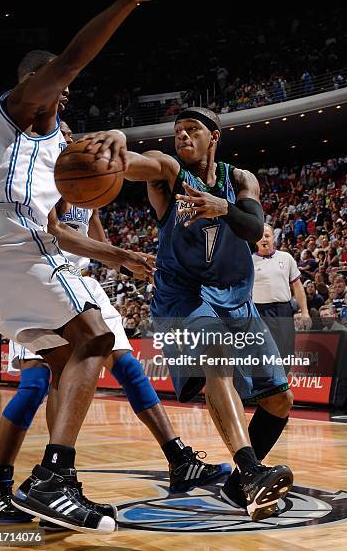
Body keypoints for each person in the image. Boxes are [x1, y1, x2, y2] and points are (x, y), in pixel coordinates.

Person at [0, 0, 180, 534]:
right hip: (16, 239)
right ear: (31, 84)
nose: (62, 97)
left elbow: (121, 170)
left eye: (63, 96)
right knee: (96, 335)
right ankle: (54, 478)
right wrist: (130, 0)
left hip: (7, 258)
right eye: (54, 89)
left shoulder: (62, 145)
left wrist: (159, 166)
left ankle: (32, 488)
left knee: (70, 362)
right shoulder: (14, 112)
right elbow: (70, 61)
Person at [0, 121, 227, 525]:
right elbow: (58, 235)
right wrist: (121, 254)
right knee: (36, 383)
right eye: (60, 133)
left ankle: (177, 458)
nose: (68, 138)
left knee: (127, 366)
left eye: (72, 133)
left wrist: (123, 259)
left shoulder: (86, 184)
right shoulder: (47, 180)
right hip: (41, 276)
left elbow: (95, 241)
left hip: (79, 283)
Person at [122, 107, 294, 521]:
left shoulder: (240, 180)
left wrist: (222, 208)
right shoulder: (168, 173)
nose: (182, 137)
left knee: (280, 401)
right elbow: (137, 164)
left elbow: (255, 230)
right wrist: (112, 153)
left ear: (213, 136)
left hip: (235, 298)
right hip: (183, 298)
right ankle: (253, 471)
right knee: (217, 357)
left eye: (192, 130)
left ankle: (240, 488)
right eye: (178, 132)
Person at [252, 224, 312, 370]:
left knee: (287, 350)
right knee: (266, 350)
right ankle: (267, 387)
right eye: (260, 236)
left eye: (267, 236)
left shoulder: (286, 258)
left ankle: (282, 385)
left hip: (284, 309)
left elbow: (297, 286)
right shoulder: (249, 261)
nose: (264, 239)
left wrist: (304, 312)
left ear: (273, 238)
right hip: (261, 311)